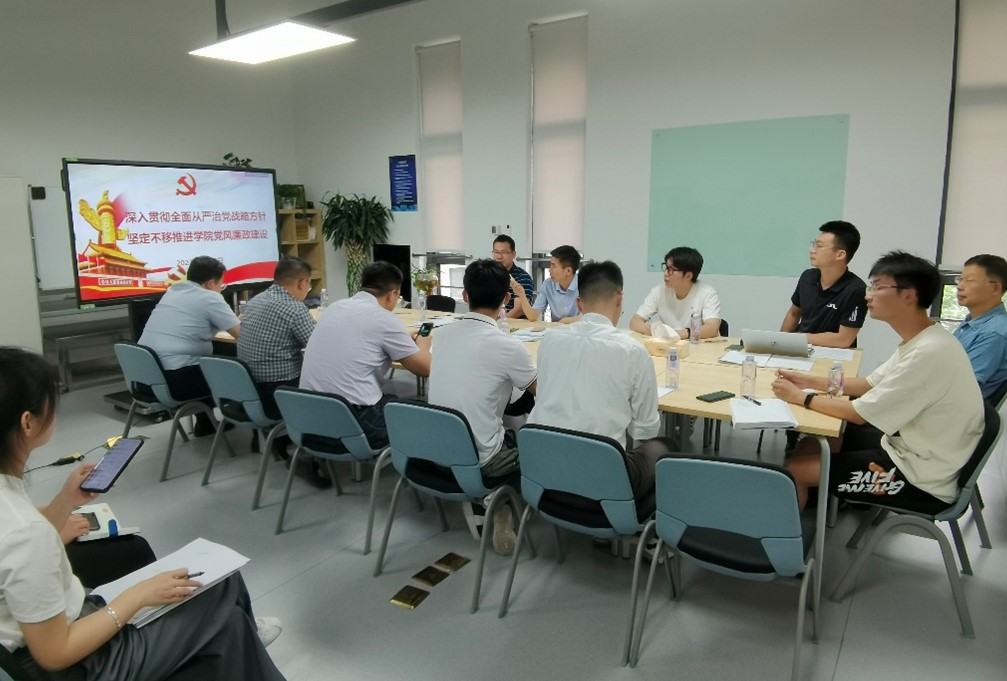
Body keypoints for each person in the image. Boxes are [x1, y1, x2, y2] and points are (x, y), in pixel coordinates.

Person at [0, 347, 285, 681]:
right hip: (85, 665)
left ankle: (244, 640)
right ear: (28, 422)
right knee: (223, 591)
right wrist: (136, 597)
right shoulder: (25, 530)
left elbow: (19, 551)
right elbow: (55, 654)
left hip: (60, 623)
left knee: (227, 606)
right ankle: (246, 640)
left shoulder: (13, 507)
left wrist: (66, 500)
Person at [772, 251, 984, 512]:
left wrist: (801, 397)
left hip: (922, 477)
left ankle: (794, 534)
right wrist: (809, 380)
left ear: (909, 296)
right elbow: (868, 385)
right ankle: (818, 509)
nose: (867, 296)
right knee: (813, 441)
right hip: (911, 450)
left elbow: (858, 413)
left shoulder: (929, 352)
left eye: (877, 287)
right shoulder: (924, 339)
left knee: (795, 470)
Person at [529, 261, 673, 500]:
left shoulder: (549, 341)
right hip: (602, 486)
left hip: (542, 476)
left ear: (579, 304)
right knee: (663, 447)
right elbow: (645, 430)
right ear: (620, 298)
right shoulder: (633, 351)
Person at [428, 260, 538, 555]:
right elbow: (542, 391)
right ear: (506, 298)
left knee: (495, 410)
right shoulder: (506, 345)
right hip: (481, 462)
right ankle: (496, 499)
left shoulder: (441, 335)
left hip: (434, 452)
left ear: (464, 295)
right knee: (528, 441)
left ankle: (488, 501)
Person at [300, 262, 431, 449]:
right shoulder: (384, 318)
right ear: (392, 294)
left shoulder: (335, 308)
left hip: (309, 420)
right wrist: (424, 344)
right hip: (352, 425)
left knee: (391, 399)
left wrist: (401, 339)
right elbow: (426, 368)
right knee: (424, 415)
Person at [237, 257, 328, 488]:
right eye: (309, 284)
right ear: (301, 282)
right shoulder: (294, 308)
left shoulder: (256, 300)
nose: (308, 289)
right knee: (332, 393)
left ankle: (276, 438)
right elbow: (318, 348)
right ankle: (307, 458)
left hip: (249, 390)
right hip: (278, 392)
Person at [138, 256, 240, 437]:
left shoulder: (173, 292)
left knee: (203, 361)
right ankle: (248, 421)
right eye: (221, 285)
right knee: (240, 373)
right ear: (211, 284)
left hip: (145, 380)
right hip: (175, 381)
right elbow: (243, 335)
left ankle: (205, 423)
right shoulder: (209, 297)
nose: (220, 289)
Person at [780, 220, 867, 348]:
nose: (812, 250)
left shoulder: (856, 290)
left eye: (819, 246)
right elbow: (794, 313)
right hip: (800, 347)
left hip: (833, 353)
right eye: (813, 244)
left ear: (840, 254)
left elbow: (844, 340)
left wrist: (797, 338)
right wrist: (779, 342)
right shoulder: (807, 277)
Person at [629, 246, 721, 340]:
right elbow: (635, 321)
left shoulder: (707, 293)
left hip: (696, 345)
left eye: (671, 270)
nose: (665, 273)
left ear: (688, 276)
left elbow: (712, 328)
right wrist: (652, 330)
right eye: (666, 267)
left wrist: (677, 334)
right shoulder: (659, 291)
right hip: (670, 345)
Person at [953, 254, 1007, 401]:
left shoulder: (995, 332)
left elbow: (960, 387)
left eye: (969, 281)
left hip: (957, 409)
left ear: (995, 288)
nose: (960, 286)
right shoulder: (971, 323)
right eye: (960, 279)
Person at [510, 245, 581, 323]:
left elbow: (590, 316)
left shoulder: (584, 285)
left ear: (568, 271)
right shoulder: (548, 284)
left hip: (580, 329)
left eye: (554, 266)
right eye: (550, 265)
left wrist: (567, 321)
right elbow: (532, 316)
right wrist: (522, 295)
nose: (549, 270)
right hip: (557, 329)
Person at [491, 235, 534, 319]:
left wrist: (498, 323)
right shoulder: (489, 275)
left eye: (504, 252)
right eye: (496, 252)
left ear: (513, 254)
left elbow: (519, 310)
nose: (499, 256)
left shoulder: (523, 277)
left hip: (514, 324)